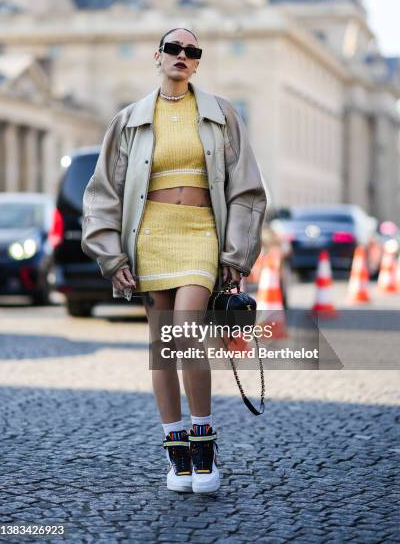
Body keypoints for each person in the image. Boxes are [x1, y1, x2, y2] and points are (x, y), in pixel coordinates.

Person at [81, 27, 267, 494]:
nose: (182, 56)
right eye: (174, 48)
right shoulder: (128, 120)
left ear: (198, 62)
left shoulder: (222, 114)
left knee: (186, 330)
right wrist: (111, 254)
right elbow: (102, 193)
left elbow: (246, 188)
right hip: (149, 236)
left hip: (201, 232)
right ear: (157, 56)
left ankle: (204, 446)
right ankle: (177, 454)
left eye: (192, 51)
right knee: (162, 348)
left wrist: (236, 253)